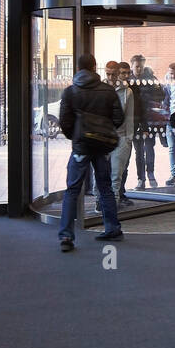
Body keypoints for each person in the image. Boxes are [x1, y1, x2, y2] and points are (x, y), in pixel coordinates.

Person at [57, 53, 125, 252]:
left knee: (72, 190)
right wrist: (103, 130)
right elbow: (118, 118)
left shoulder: (71, 91)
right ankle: (112, 228)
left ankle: (67, 236)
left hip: (81, 147)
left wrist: (78, 136)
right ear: (95, 68)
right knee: (105, 186)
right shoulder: (108, 91)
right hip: (102, 146)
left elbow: (65, 122)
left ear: (77, 69)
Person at [106, 61, 136, 208]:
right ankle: (102, 203)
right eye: (108, 74)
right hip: (103, 138)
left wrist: (128, 139)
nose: (110, 77)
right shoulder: (100, 89)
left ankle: (113, 204)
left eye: (113, 74)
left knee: (116, 175)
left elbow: (129, 116)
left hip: (121, 137)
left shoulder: (127, 92)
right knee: (102, 174)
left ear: (118, 73)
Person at [129, 54, 160, 189]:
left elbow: (161, 96)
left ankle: (150, 174)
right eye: (137, 67)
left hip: (149, 119)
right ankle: (141, 178)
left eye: (141, 66)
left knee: (149, 148)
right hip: (135, 121)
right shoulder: (128, 81)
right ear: (132, 66)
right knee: (139, 151)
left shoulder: (150, 79)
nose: (139, 69)